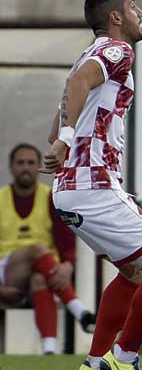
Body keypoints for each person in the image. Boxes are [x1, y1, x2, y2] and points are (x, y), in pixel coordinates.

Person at [44, 0, 142, 370]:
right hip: (94, 186)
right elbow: (77, 89)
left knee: (136, 273)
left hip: (71, 189)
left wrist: (58, 141)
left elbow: (71, 93)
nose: (141, 13)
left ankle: (94, 363)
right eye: (134, 5)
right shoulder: (117, 49)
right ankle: (122, 362)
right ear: (116, 17)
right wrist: (65, 140)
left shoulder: (87, 56)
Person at [0, 143, 96, 354]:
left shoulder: (50, 197)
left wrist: (67, 266)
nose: (25, 167)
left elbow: (66, 239)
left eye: (31, 162)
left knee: (39, 278)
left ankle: (49, 349)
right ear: (11, 166)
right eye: (20, 162)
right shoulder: (0, 199)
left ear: (38, 167)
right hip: (7, 272)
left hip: (46, 271)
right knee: (37, 248)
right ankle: (80, 312)